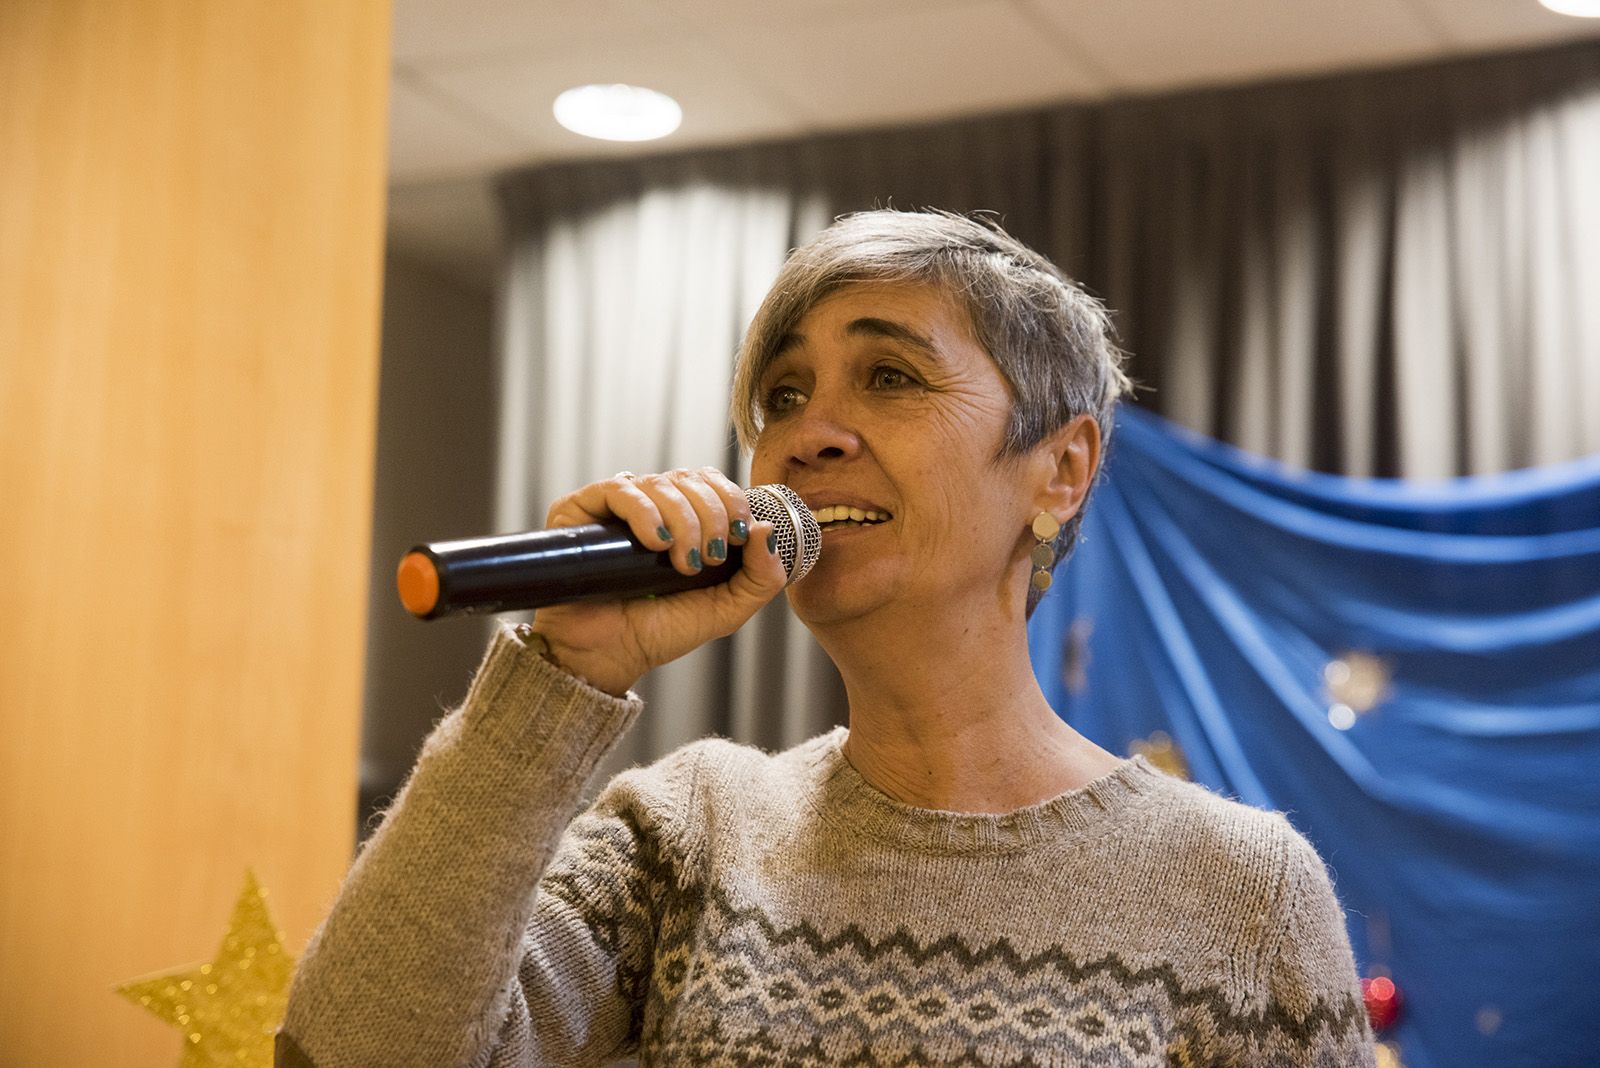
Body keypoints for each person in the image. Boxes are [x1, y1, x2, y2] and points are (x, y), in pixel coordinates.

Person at [278, 210, 1376, 1066]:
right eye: (781, 395)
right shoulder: (692, 832)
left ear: (1062, 467)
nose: (806, 436)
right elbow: (358, 1052)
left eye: (890, 376)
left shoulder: (1241, 890)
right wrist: (565, 668)